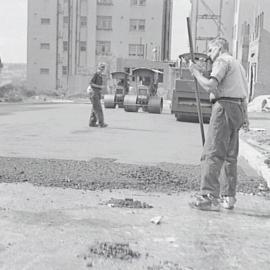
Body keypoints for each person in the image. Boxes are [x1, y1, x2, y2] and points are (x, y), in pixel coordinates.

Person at [189, 37, 249, 211]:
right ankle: (228, 197)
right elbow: (244, 95)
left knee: (213, 153)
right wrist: (245, 118)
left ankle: (207, 196)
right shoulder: (238, 65)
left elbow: (209, 85)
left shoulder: (222, 61)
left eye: (210, 50)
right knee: (230, 156)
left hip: (224, 107)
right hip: (237, 109)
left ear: (219, 48)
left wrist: (195, 72)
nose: (209, 55)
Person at [87, 63, 108, 128]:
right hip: (93, 92)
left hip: (97, 92)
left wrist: (100, 90)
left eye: (102, 69)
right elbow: (91, 83)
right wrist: (99, 86)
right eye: (100, 68)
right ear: (98, 68)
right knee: (98, 108)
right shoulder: (95, 74)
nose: (101, 70)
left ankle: (92, 122)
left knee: (94, 108)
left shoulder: (100, 76)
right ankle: (101, 123)